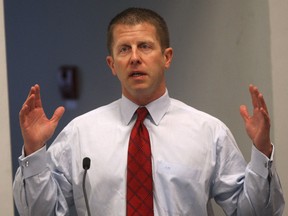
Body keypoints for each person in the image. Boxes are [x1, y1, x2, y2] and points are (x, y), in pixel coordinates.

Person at [13, 7, 284, 216]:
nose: (134, 57)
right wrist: (34, 152)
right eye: (124, 49)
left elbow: (254, 212)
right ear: (111, 64)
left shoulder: (208, 131)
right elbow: (41, 212)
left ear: (166, 57)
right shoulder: (80, 133)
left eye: (144, 46)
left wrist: (261, 154)